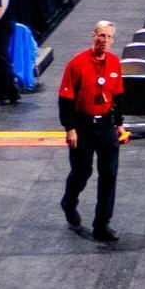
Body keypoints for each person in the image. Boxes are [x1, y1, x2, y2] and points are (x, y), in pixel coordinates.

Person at [56, 21, 126, 242]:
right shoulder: (76, 64)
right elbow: (65, 99)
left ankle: (102, 224)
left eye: (109, 37)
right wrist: (70, 128)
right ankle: (69, 201)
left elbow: (117, 97)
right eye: (101, 35)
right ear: (93, 36)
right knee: (82, 172)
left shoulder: (114, 63)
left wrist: (119, 123)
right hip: (83, 126)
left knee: (109, 174)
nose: (104, 41)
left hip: (106, 125)